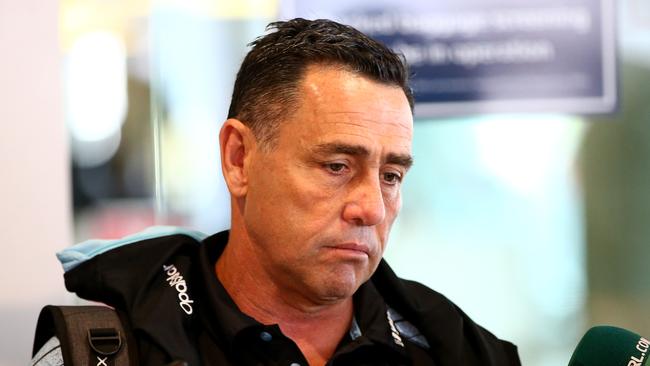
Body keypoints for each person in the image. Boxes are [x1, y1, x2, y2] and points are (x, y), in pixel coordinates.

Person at [32, 18, 521, 366]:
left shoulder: (457, 347)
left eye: (390, 175)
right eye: (336, 165)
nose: (371, 208)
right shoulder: (109, 349)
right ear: (239, 159)